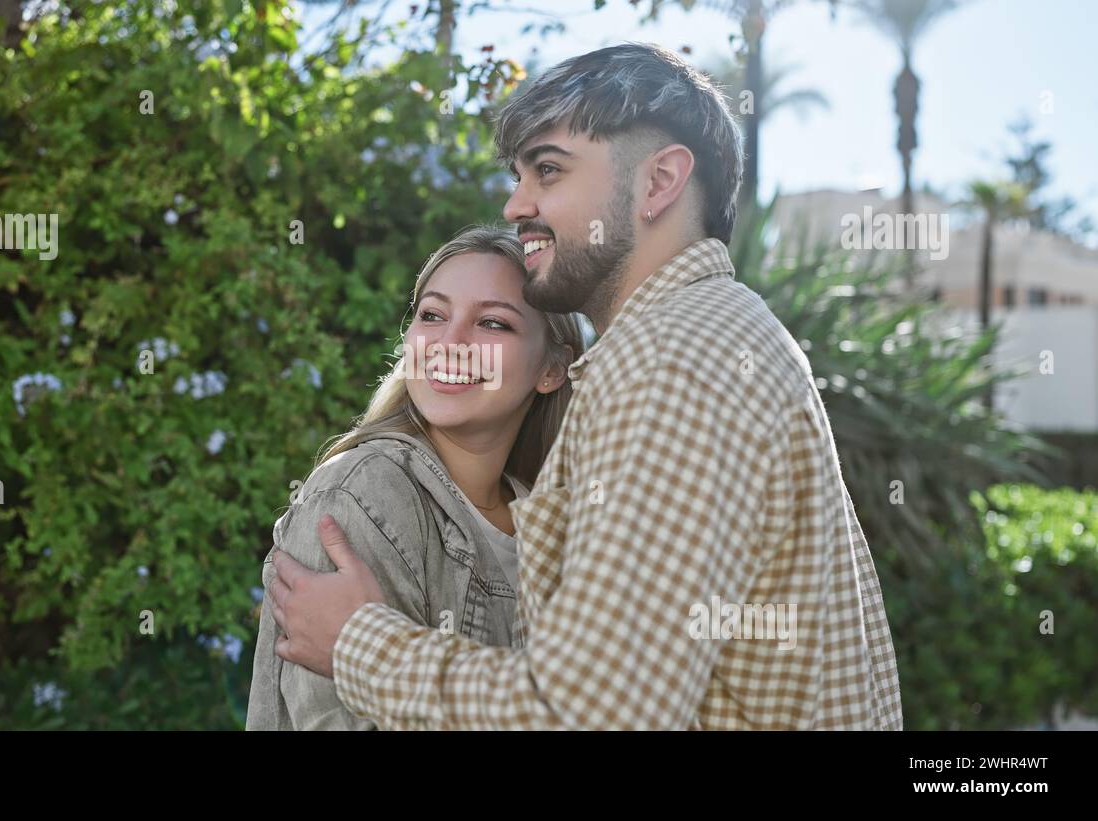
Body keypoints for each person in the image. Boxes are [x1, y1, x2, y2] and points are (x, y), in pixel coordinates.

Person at [267, 42, 904, 730]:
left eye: (548, 170)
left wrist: (359, 642)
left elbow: (591, 713)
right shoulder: (720, 335)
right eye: (518, 174)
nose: (516, 204)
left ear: (660, 182)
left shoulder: (673, 358)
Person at [246, 225, 582, 729]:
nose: (450, 343)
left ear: (553, 369)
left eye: (492, 323)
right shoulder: (362, 494)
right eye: (432, 315)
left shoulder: (557, 525)